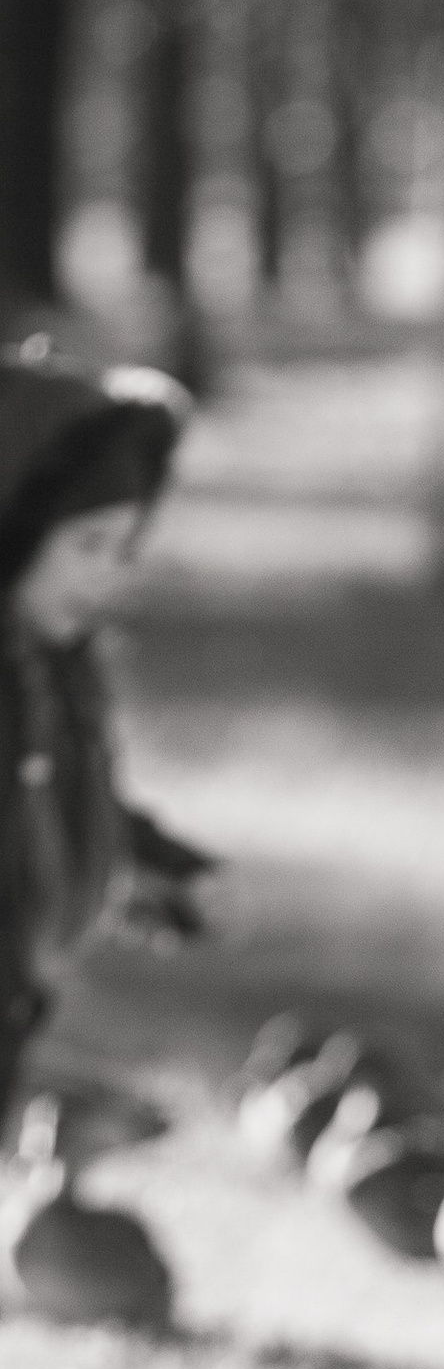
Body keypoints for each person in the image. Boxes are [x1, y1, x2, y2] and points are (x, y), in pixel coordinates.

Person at [0, 351, 209, 1111]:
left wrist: (128, 850)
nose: (106, 575)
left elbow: (50, 790)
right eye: (86, 544)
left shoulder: (52, 668)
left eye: (124, 549)